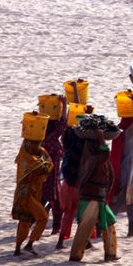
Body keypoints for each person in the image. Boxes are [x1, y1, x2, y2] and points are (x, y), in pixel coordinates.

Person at [69, 128, 119, 262]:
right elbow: (105, 154)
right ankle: (75, 255)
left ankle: (110, 254)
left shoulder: (93, 157)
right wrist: (101, 137)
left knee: (109, 223)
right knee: (85, 228)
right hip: (91, 198)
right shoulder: (92, 159)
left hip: (99, 198)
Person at [56, 106, 94, 250]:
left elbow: (65, 124)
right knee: (83, 211)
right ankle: (87, 240)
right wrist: (89, 115)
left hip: (68, 179)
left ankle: (61, 241)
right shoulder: (82, 140)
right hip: (78, 179)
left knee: (69, 212)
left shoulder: (67, 137)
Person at [108, 94, 133, 237]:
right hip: (128, 174)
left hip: (128, 173)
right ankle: (102, 227)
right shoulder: (129, 133)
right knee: (118, 203)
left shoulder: (120, 133)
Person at [12, 139, 54, 256]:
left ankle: (18, 249)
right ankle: (29, 245)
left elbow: (48, 163)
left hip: (30, 192)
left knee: (25, 220)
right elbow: (43, 168)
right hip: (27, 194)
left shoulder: (33, 153)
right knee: (42, 218)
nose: (37, 146)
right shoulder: (27, 158)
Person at [42, 95, 68, 235]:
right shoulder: (51, 139)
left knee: (42, 199)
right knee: (56, 202)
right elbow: (63, 123)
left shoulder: (39, 139)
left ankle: (32, 224)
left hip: (41, 176)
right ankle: (56, 228)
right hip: (52, 177)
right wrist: (64, 105)